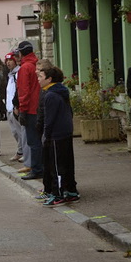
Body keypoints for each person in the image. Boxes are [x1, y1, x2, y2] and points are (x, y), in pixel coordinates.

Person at [37, 65, 79, 206]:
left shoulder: (51, 95)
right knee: (67, 163)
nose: (38, 80)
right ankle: (71, 190)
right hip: (65, 131)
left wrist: (46, 135)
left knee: (56, 166)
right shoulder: (61, 91)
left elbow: (50, 119)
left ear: (49, 79)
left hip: (57, 134)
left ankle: (58, 193)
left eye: (40, 77)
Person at [15, 41, 43, 180]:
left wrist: (22, 110)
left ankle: (37, 169)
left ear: (20, 53)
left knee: (33, 141)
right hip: (39, 107)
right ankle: (40, 167)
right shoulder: (36, 64)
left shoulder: (25, 68)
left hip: (31, 109)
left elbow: (23, 91)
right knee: (39, 139)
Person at [4, 52, 28, 168]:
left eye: (10, 60)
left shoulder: (18, 73)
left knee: (20, 131)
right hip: (9, 107)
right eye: (7, 61)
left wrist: (16, 106)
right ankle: (20, 150)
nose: (8, 63)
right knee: (14, 132)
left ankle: (24, 152)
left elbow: (18, 91)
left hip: (15, 107)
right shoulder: (10, 74)